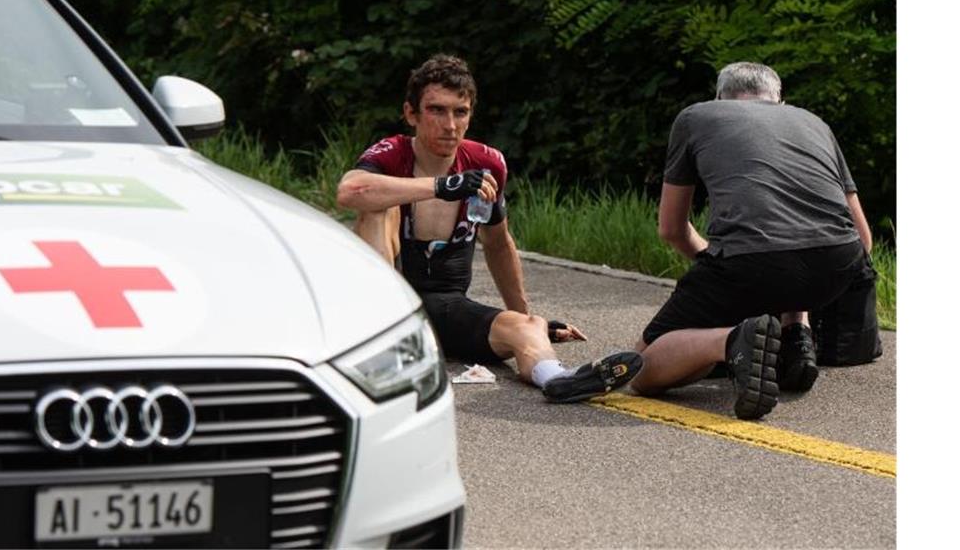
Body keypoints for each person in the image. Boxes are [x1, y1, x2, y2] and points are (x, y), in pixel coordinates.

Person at [337, 54, 642, 403]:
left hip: (445, 310)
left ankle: (556, 379)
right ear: (411, 114)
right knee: (377, 204)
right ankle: (382, 344)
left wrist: (527, 318)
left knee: (524, 328)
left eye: (460, 112)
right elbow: (350, 191)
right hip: (387, 310)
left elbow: (498, 245)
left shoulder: (486, 164)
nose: (450, 124)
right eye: (437, 110)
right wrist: (440, 186)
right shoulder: (393, 152)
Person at [629, 62, 879, 419]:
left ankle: (731, 343)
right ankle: (796, 339)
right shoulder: (812, 122)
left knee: (642, 367)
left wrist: (711, 259)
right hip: (839, 263)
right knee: (792, 247)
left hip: (752, 264)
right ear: (779, 101)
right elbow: (863, 237)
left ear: (719, 97)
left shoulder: (696, 117)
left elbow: (671, 229)